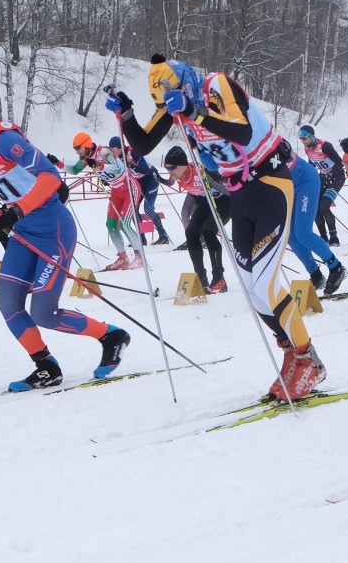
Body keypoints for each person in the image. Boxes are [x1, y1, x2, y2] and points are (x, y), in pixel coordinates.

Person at [112, 54, 323, 401]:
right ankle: (290, 355)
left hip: (271, 184)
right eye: (165, 106)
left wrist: (196, 112)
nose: (173, 112)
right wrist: (127, 115)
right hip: (240, 195)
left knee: (268, 285)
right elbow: (144, 144)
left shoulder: (215, 85)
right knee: (252, 288)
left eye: (173, 102)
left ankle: (309, 361)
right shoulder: (176, 104)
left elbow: (241, 130)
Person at [0, 79, 129, 391]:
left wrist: (15, 211)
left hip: (53, 229)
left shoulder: (4, 138)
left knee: (44, 313)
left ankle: (110, 335)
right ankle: (46, 366)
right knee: (9, 304)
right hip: (24, 231)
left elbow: (50, 178)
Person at [68, 133, 143, 272]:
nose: (77, 151)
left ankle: (140, 257)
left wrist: (99, 165)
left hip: (129, 187)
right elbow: (74, 170)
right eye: (75, 149)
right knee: (110, 225)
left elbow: (117, 168)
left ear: (86, 144)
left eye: (78, 148)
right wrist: (56, 163)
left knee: (125, 223)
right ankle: (123, 258)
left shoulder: (104, 152)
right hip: (116, 191)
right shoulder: (87, 158)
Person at [164, 145, 227, 293]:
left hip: (226, 199)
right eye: (167, 168)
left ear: (183, 165)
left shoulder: (200, 171)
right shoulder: (181, 176)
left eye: (172, 167)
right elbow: (195, 194)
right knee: (191, 232)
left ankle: (219, 278)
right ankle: (201, 279)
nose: (170, 172)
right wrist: (200, 216)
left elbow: (226, 185)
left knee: (208, 231)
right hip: (207, 200)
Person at [286, 150, 348, 295]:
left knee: (303, 233)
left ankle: (336, 268)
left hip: (305, 181)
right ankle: (316, 275)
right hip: (289, 186)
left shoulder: (254, 139)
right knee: (291, 236)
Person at [298, 125, 345, 245]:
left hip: (337, 178)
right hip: (323, 178)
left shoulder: (325, 145)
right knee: (315, 207)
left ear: (311, 137)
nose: (303, 141)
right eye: (301, 139)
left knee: (323, 206)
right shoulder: (307, 149)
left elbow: (340, 163)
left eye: (304, 138)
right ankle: (324, 238)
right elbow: (311, 166)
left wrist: (331, 174)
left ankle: (334, 238)